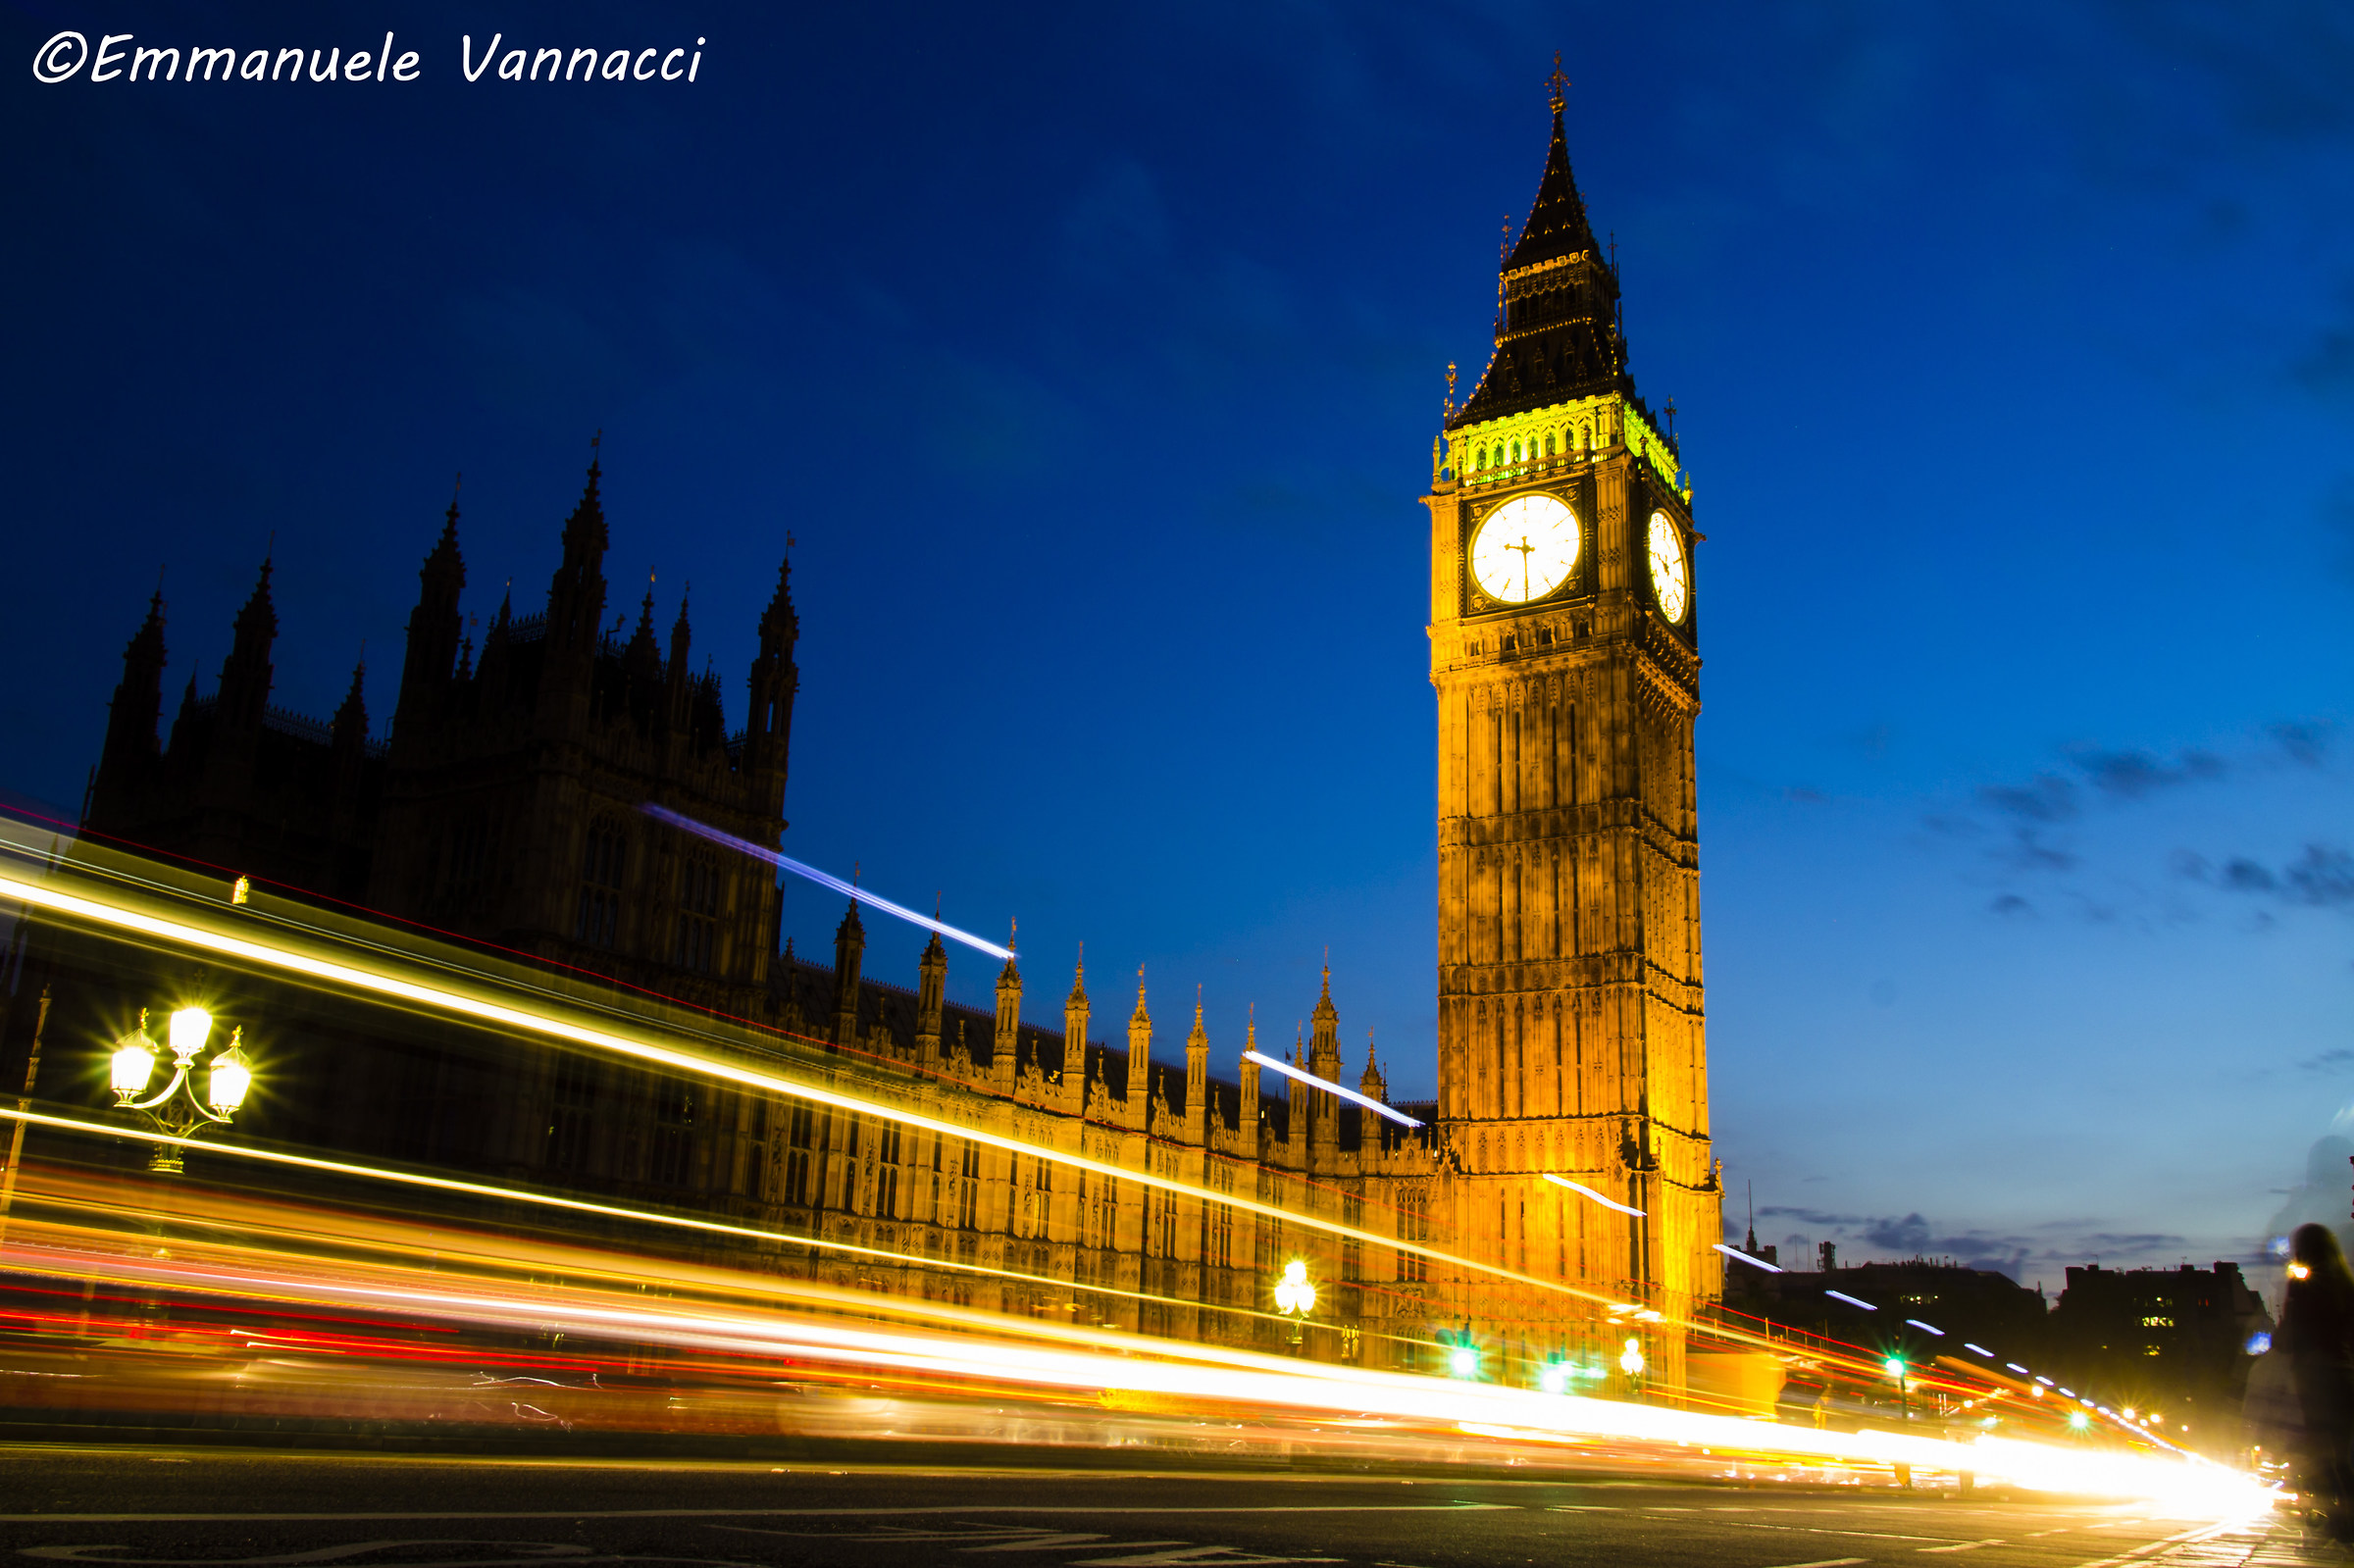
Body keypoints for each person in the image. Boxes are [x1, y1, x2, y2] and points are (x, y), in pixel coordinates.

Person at [2276, 1224, 2354, 1538]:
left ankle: (2340, 1520)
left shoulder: (2302, 1283)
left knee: (2324, 1454)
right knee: (2340, 1452)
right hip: (2343, 1373)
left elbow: (2288, 1334)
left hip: (2314, 1378)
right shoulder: (2345, 1285)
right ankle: (2344, 1518)